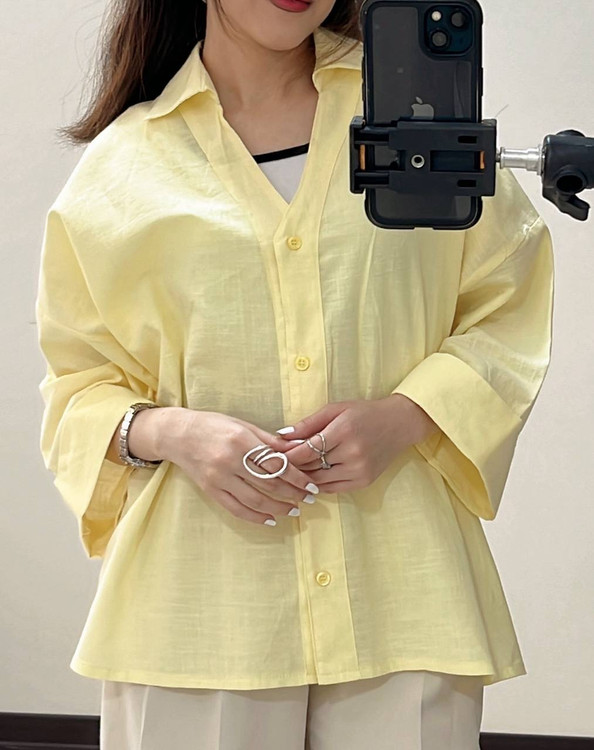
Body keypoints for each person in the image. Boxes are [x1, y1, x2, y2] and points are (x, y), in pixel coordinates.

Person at [35, 0, 555, 747]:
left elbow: (506, 304)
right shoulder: (123, 167)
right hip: (200, 608)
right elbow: (78, 386)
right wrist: (177, 433)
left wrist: (407, 415)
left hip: (404, 595)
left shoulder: (422, 125)